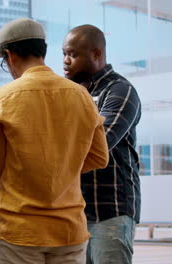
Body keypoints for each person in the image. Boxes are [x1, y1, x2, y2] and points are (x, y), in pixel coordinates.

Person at [0, 18, 109, 264]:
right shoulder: (81, 96)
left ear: (10, 55)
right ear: (42, 51)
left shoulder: (2, 99)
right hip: (69, 230)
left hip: (20, 230)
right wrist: (62, 167)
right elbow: (100, 157)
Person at [63, 24, 142, 264]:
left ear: (97, 54)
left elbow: (99, 144)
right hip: (76, 212)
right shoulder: (71, 94)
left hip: (110, 211)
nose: (66, 61)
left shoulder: (120, 91)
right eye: (64, 54)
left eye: (73, 54)